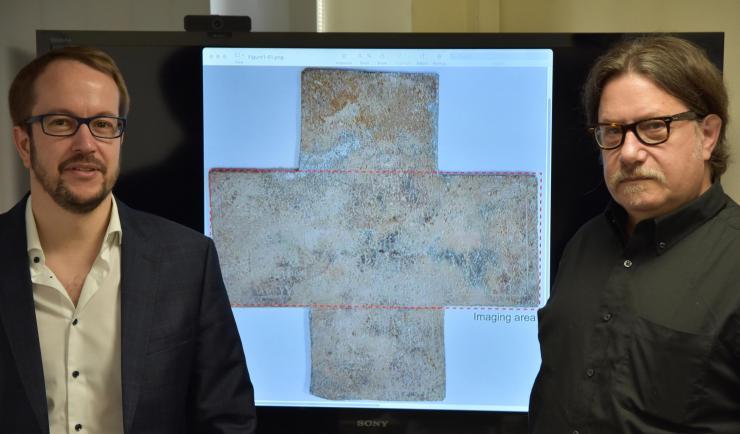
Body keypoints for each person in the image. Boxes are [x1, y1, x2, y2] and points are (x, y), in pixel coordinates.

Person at [0, 46, 256, 433]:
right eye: (61, 122)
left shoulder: (188, 262)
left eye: (103, 124)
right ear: (24, 143)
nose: (86, 144)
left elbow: (227, 420)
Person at [529, 35, 740, 433]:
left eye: (653, 127)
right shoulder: (582, 245)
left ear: (708, 135)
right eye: (612, 131)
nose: (628, 152)